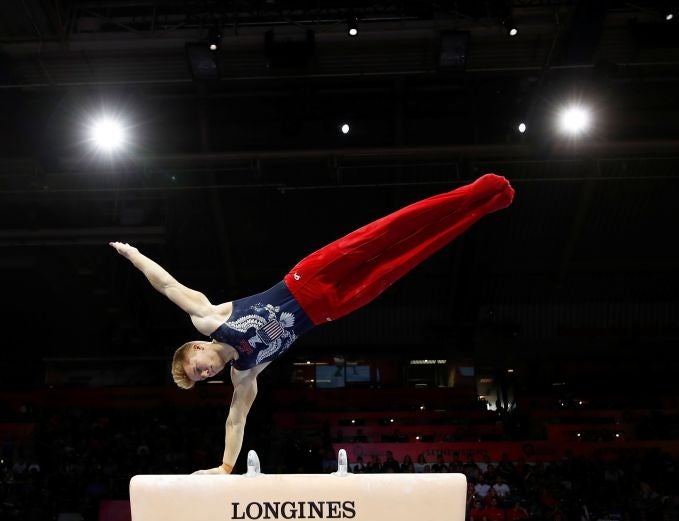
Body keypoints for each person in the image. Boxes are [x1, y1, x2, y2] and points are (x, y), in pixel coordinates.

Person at [110, 173, 514, 474]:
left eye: (198, 369)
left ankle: (473, 192)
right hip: (330, 308)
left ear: (196, 348)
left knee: (385, 232)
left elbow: (167, 284)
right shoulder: (245, 374)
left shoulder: (209, 318)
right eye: (202, 379)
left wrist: (133, 255)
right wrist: (226, 468)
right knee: (404, 259)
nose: (206, 374)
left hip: (307, 277)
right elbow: (236, 419)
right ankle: (482, 208)